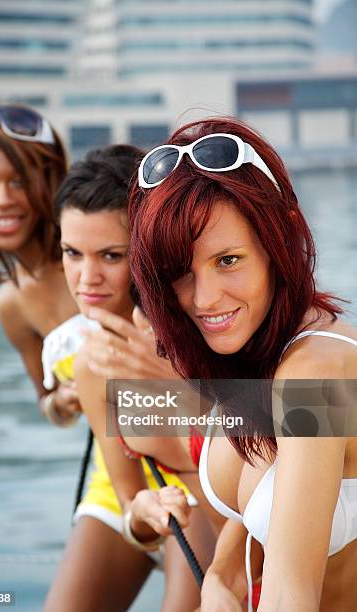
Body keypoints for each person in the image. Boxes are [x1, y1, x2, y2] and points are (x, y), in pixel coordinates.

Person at [127, 116, 357, 610]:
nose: (204, 299)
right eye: (180, 272)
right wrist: (219, 581)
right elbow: (262, 511)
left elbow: (290, 593)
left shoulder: (316, 370)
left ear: (281, 239)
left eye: (228, 260)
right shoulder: (254, 353)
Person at [45, 145, 216, 612]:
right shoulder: (91, 363)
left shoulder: (211, 329)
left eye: (111, 256)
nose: (87, 278)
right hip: (161, 500)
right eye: (71, 253)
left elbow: (321, 416)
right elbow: (128, 498)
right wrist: (141, 515)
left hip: (222, 499)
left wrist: (175, 384)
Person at [0, 103, 80, 423]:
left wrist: (110, 390)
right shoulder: (12, 304)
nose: (2, 200)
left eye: (19, 181)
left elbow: (211, 393)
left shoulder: (103, 259)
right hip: (116, 467)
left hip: (194, 459)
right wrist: (64, 401)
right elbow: (52, 409)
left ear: (50, 178)